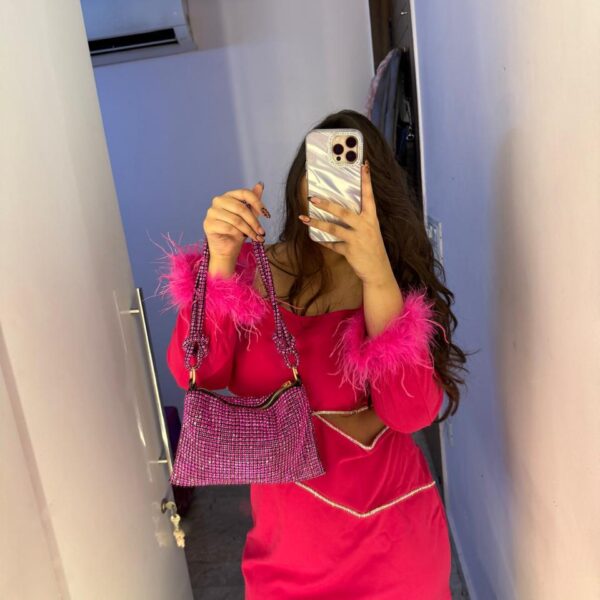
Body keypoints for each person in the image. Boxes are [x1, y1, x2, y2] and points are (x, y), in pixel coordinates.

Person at [157, 109, 468, 599]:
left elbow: (409, 413)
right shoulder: (253, 273)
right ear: (300, 182)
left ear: (378, 195)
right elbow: (197, 372)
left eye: (348, 178)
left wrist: (377, 276)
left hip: (395, 550)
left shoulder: (396, 284)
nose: (331, 193)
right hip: (285, 556)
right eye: (321, 171)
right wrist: (220, 263)